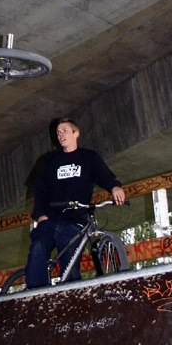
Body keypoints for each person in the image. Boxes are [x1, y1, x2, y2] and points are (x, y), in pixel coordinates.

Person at [25, 117, 126, 288]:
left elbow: (104, 176)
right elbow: (40, 190)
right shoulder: (49, 162)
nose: (61, 135)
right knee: (38, 248)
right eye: (58, 132)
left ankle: (70, 292)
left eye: (65, 131)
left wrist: (115, 187)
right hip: (50, 218)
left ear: (76, 133)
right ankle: (35, 293)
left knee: (70, 261)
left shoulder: (89, 158)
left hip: (74, 220)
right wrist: (40, 215)